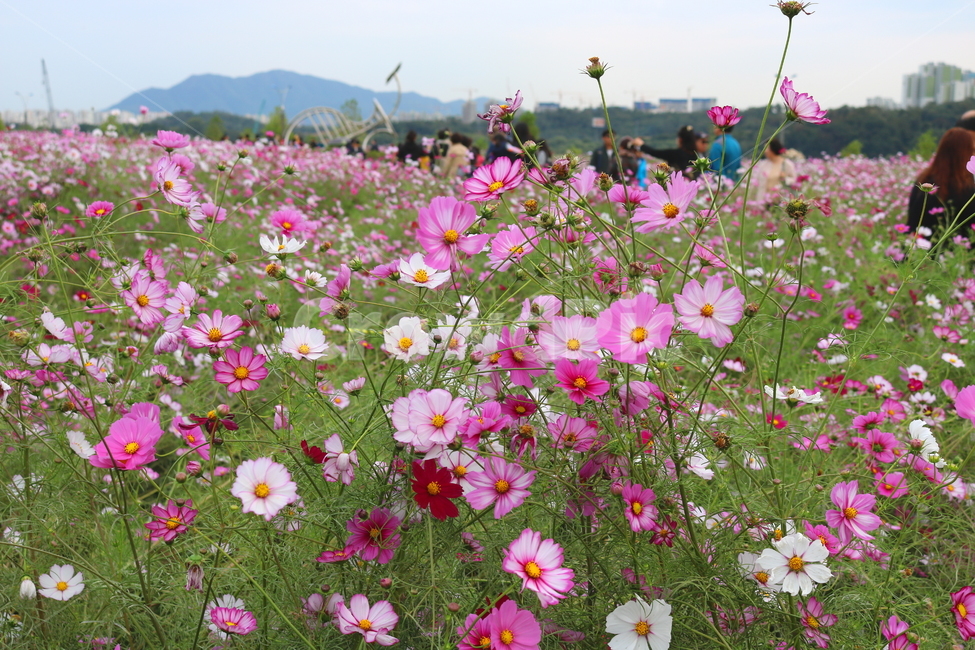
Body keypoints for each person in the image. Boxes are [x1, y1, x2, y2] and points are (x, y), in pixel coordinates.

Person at [907, 127, 975, 238]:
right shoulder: (967, 189)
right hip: (955, 251)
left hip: (918, 247)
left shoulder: (924, 180)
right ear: (964, 153)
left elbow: (912, 222)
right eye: (972, 150)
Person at [631, 125, 699, 176]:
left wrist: (641, 145)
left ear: (680, 139)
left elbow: (654, 153)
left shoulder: (675, 154)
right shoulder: (696, 155)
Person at [752, 138, 797, 202]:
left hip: (780, 200)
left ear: (773, 148)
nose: (765, 151)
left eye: (767, 148)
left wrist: (785, 178)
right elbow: (757, 182)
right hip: (763, 200)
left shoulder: (787, 164)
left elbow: (794, 181)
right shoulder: (763, 164)